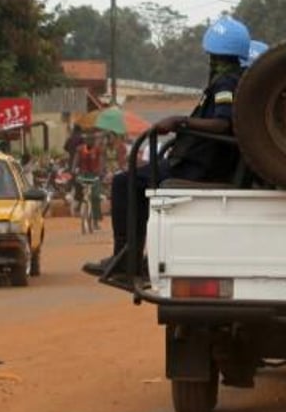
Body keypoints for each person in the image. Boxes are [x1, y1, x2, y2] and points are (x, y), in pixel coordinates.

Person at [84, 15, 250, 279]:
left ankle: (125, 260)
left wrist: (178, 121)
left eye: (211, 55)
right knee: (132, 182)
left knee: (123, 183)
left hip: (196, 167)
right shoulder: (235, 79)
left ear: (216, 56)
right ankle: (130, 256)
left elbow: (222, 123)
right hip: (194, 162)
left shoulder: (226, 83)